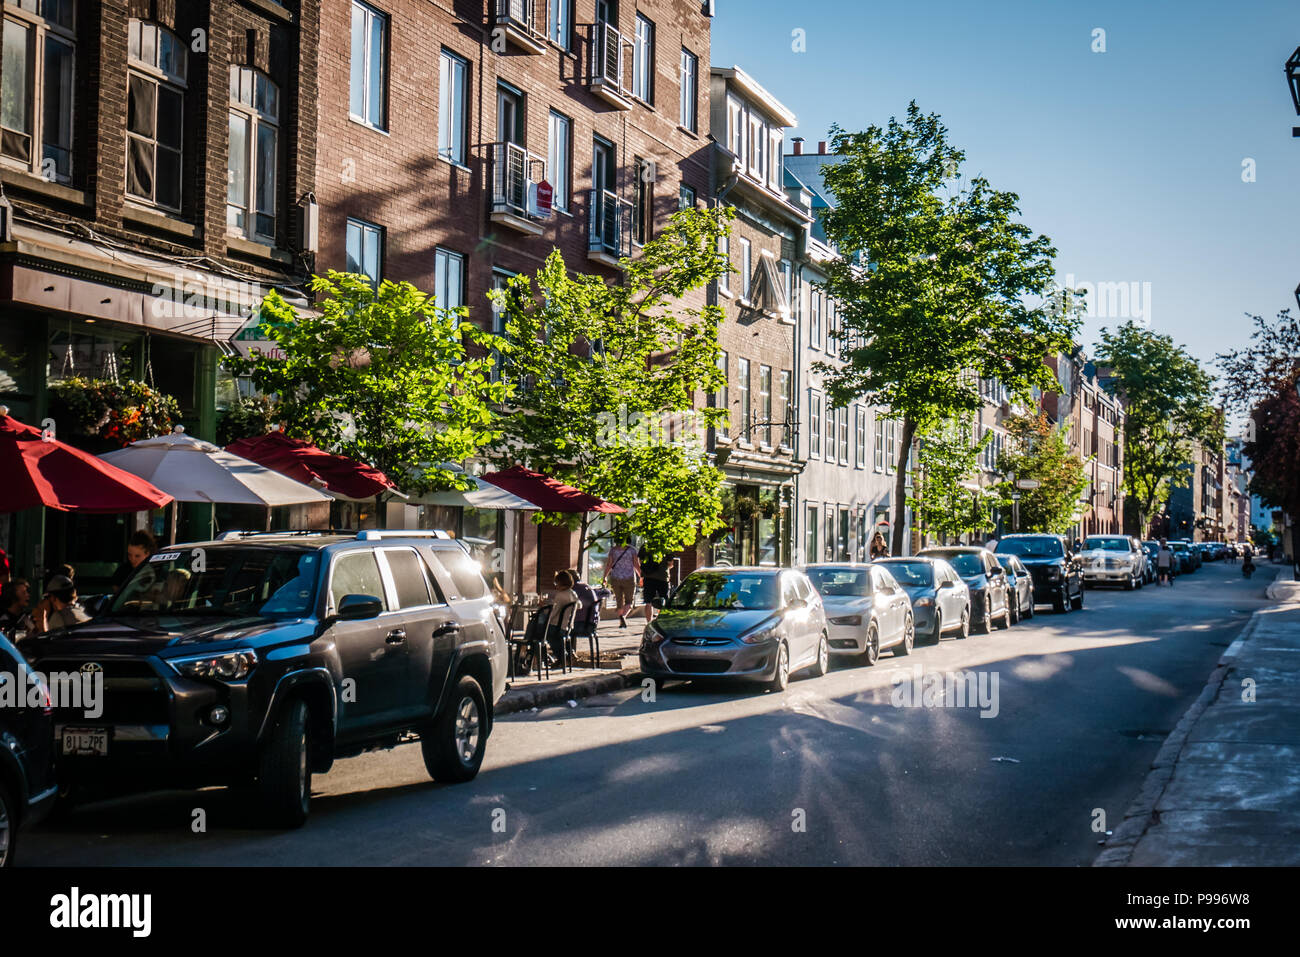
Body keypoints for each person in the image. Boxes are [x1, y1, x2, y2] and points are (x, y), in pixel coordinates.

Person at [603, 535, 641, 628]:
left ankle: (621, 618)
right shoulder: (632, 550)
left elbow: (609, 564)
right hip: (629, 577)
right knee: (629, 601)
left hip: (616, 577)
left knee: (619, 601)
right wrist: (641, 575)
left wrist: (605, 576)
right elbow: (636, 564)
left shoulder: (613, 550)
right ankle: (623, 617)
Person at [545, 570, 581, 666]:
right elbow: (579, 605)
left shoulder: (560, 595)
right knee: (556, 637)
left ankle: (562, 657)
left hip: (557, 625)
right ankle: (566, 656)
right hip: (568, 626)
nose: (555, 585)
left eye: (556, 583)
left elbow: (554, 612)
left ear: (561, 583)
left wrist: (545, 612)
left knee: (545, 633)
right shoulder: (572, 593)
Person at [110, 529, 156, 594]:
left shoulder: (158, 570)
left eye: (137, 556)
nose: (132, 559)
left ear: (147, 554)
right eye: (129, 555)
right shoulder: (121, 571)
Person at [638, 546, 671, 621]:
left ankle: (648, 622)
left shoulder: (645, 546)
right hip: (663, 577)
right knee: (663, 600)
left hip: (648, 577)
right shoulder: (666, 545)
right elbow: (670, 563)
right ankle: (661, 621)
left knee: (648, 602)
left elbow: (640, 560)